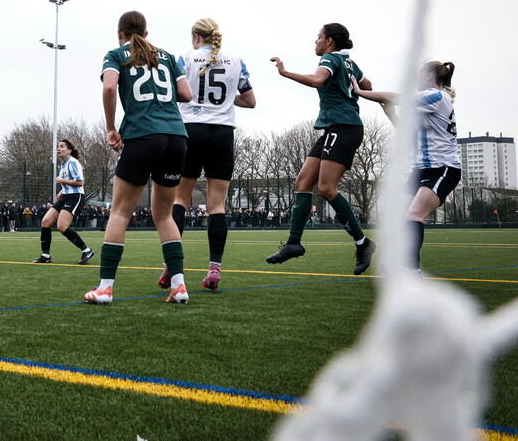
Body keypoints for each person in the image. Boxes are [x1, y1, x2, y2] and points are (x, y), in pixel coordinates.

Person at [84, 10, 193, 305]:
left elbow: (109, 86)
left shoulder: (116, 53)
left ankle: (105, 288)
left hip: (142, 135)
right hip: (176, 137)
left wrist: (110, 128)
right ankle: (179, 286)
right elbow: (186, 93)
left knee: (120, 212)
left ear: (119, 33)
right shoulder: (167, 56)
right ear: (146, 34)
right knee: (164, 215)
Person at [266, 23, 376, 275]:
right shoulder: (349, 62)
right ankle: (293, 244)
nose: (315, 41)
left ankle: (363, 243)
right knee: (303, 182)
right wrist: (355, 90)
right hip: (334, 127)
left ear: (329, 42)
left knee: (327, 188)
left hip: (344, 127)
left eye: (318, 37)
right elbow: (367, 84)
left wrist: (284, 72)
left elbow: (317, 80)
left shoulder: (329, 58)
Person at [163, 17, 256, 291]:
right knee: (217, 206)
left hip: (190, 130)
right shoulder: (236, 61)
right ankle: (214, 269)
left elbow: (173, 94)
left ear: (195, 37)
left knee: (179, 200)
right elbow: (250, 101)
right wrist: (228, 99)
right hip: (222, 133)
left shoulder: (185, 58)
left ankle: (172, 266)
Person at [352, 61, 460, 272]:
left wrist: (359, 91)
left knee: (414, 215)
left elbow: (398, 97)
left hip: (443, 168)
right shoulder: (426, 104)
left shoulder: (436, 96)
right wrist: (390, 113)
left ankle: (411, 271)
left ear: (429, 76)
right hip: (422, 169)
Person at [33, 139, 95, 265]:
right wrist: (62, 191)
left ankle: (86, 250)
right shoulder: (63, 164)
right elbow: (68, 181)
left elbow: (80, 182)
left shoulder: (73, 163)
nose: (58, 149)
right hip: (66, 196)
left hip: (75, 197)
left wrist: (62, 180)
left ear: (69, 150)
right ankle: (46, 256)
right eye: (58, 147)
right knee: (45, 222)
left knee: (62, 226)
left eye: (62, 147)